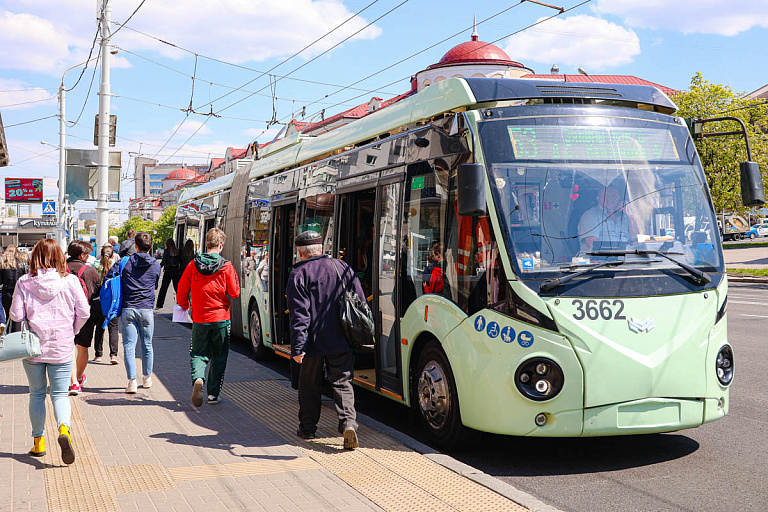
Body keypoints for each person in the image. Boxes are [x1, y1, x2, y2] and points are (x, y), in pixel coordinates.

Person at [10, 238, 90, 465]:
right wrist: (72, 330)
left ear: (35, 257)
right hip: (61, 346)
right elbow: (84, 312)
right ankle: (64, 429)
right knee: (60, 394)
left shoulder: (24, 282)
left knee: (36, 394)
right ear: (60, 257)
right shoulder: (70, 281)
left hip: (33, 348)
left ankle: (38, 443)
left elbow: (16, 315)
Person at [287, 230, 362, 450]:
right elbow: (358, 299)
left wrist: (298, 347)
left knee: (309, 384)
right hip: (341, 338)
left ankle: (308, 428)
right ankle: (348, 424)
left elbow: (300, 315)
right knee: (342, 382)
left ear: (300, 252)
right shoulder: (342, 267)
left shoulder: (298, 274)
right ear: (321, 249)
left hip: (312, 342)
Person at [177, 228, 241, 407]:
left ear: (206, 244)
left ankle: (198, 378)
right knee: (219, 356)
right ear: (221, 245)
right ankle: (213, 395)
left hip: (200, 318)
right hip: (221, 319)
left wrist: (185, 305)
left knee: (198, 353)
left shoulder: (193, 265)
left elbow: (182, 289)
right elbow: (234, 293)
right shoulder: (226, 266)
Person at [106, 232, 161, 393]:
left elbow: (109, 278)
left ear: (135, 246)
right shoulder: (155, 265)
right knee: (147, 345)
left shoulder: (124, 262)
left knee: (129, 346)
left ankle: (132, 382)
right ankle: (147, 378)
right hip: (147, 309)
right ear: (151, 246)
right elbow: (155, 284)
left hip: (128, 308)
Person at [65, 241, 102, 395]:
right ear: (82, 255)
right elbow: (96, 293)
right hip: (85, 315)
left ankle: (71, 380)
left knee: (67, 348)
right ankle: (78, 379)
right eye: (87, 254)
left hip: (64, 315)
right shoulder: (90, 271)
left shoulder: (60, 269)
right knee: (83, 347)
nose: (88, 257)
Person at [578, 184, 631, 252]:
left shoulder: (625, 216)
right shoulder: (591, 215)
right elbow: (592, 245)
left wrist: (630, 216)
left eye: (613, 196)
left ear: (619, 198)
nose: (610, 199)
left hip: (626, 256)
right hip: (601, 257)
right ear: (598, 198)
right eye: (606, 196)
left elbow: (636, 240)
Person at [93, 244, 120, 364]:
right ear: (113, 255)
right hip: (113, 300)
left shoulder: (95, 265)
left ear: (100, 254)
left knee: (99, 327)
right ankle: (113, 355)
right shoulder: (116, 266)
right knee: (113, 328)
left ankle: (98, 355)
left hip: (99, 299)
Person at [0, 245, 28, 332]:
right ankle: (16, 334)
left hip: (7, 292)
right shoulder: (21, 264)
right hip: (19, 292)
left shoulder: (3, 266)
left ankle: (9, 334)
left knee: (8, 314)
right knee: (17, 316)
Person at [156, 239, 181, 309]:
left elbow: (163, 261)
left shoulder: (167, 251)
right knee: (177, 288)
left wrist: (158, 267)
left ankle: (159, 304)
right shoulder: (177, 251)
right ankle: (180, 303)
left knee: (164, 288)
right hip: (176, 271)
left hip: (168, 270)